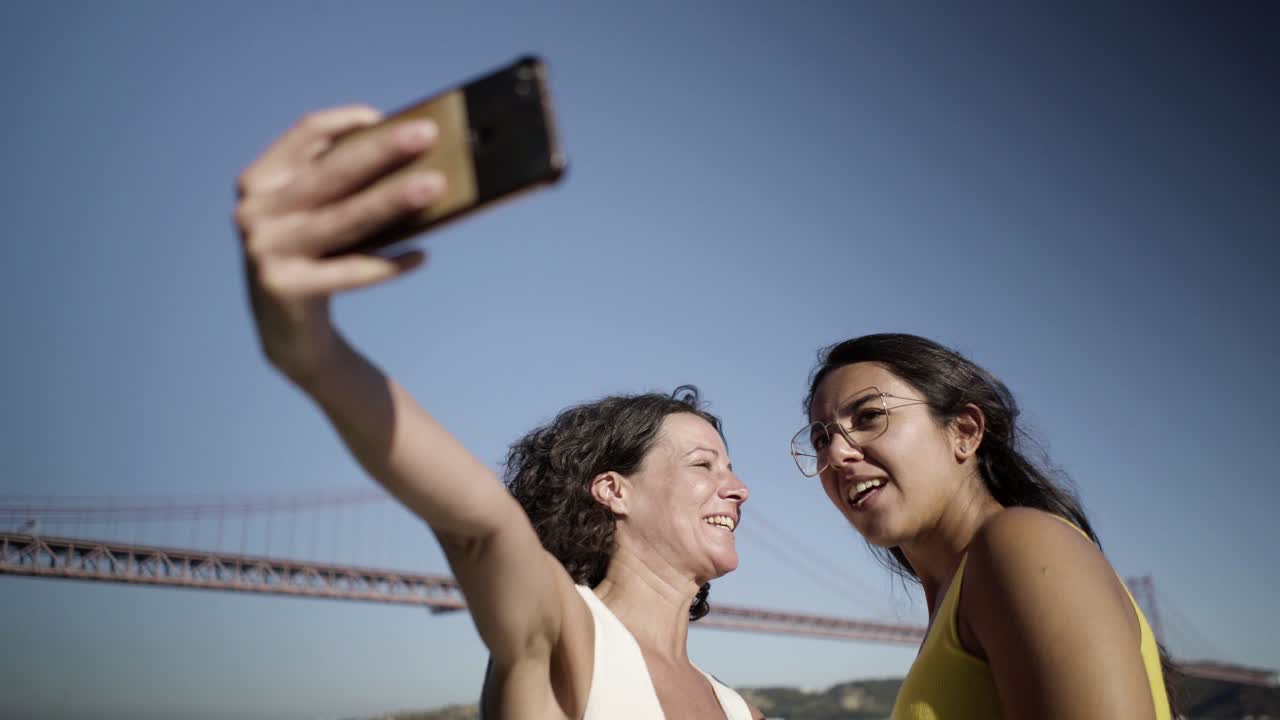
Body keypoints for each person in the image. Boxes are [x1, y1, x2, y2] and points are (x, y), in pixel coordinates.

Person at [235, 105, 763, 720]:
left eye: (730, 468)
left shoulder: (740, 710)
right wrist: (313, 351)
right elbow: (481, 520)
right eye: (704, 464)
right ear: (613, 490)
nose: (740, 489)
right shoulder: (562, 629)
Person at [791, 333, 1175, 719]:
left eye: (869, 416)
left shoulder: (1025, 546)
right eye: (821, 440)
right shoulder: (960, 600)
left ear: (964, 431)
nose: (836, 454)